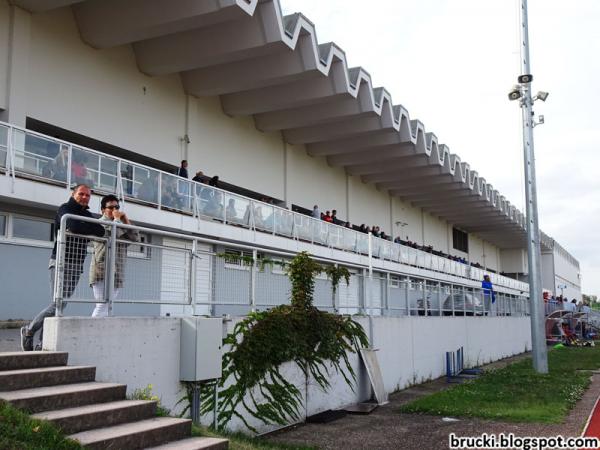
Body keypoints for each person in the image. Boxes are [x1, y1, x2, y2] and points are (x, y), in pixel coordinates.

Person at [21, 184, 105, 351]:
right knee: (59, 304)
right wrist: (87, 229)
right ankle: (29, 331)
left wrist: (84, 227)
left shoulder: (87, 214)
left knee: (59, 303)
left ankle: (41, 343)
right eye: (81, 194)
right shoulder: (64, 209)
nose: (84, 197)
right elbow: (73, 226)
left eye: (88, 195)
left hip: (77, 263)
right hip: (60, 262)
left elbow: (100, 230)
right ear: (74, 194)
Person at [89, 195, 139, 317]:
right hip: (102, 271)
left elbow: (135, 238)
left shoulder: (119, 224)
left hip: (117, 271)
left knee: (109, 305)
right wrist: (117, 220)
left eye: (116, 207)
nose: (114, 210)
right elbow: (112, 236)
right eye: (110, 207)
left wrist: (125, 219)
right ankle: (91, 330)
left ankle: (100, 333)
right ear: (103, 210)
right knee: (101, 305)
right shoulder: (98, 224)